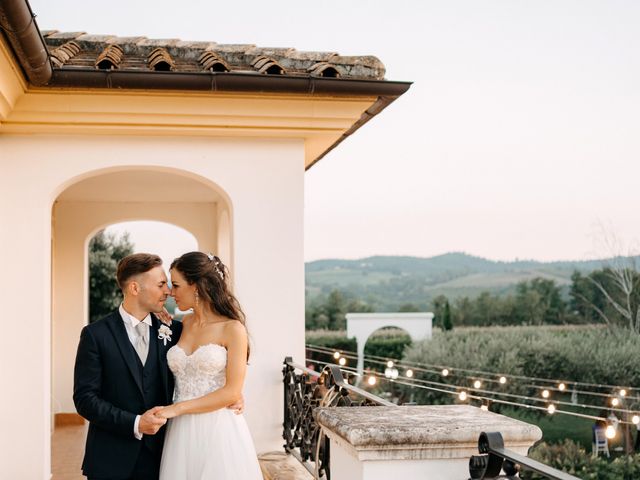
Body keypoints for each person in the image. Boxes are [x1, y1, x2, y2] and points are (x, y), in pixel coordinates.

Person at [73, 253, 183, 480]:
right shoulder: (95, 335)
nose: (168, 291)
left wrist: (227, 394)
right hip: (109, 460)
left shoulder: (175, 332)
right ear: (135, 288)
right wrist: (136, 423)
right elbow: (85, 399)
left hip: (163, 458)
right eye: (161, 284)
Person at [157, 252, 262, 480]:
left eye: (176, 285)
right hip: (181, 431)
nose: (171, 293)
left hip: (218, 429)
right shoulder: (182, 324)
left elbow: (231, 391)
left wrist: (175, 409)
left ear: (196, 286)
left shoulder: (233, 329)